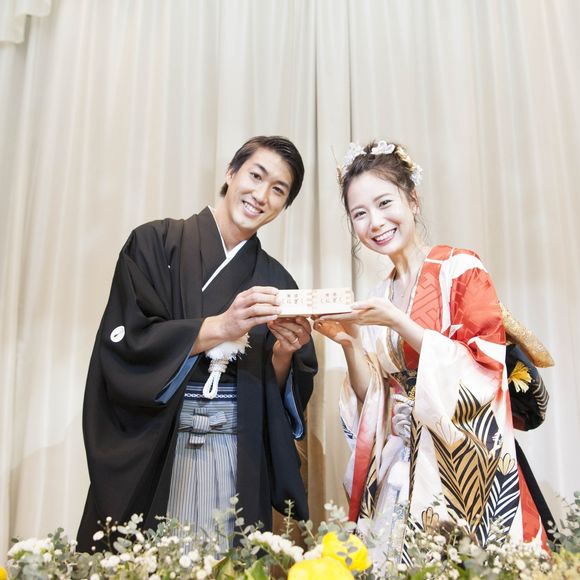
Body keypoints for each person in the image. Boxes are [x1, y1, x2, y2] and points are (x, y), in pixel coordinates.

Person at [77, 136, 317, 551]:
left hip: (235, 452)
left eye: (278, 190)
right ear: (231, 173)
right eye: (255, 176)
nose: (261, 195)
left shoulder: (277, 282)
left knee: (224, 564)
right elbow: (127, 343)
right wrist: (219, 326)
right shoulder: (154, 244)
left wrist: (283, 355)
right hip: (161, 446)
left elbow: (276, 399)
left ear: (284, 205)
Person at [314, 140, 547, 565]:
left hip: (460, 462)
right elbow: (375, 399)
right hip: (402, 462)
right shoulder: (381, 292)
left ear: (413, 199)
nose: (375, 222)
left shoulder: (461, 269)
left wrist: (398, 322)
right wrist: (350, 343)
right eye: (359, 213)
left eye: (385, 203)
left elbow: (485, 371)